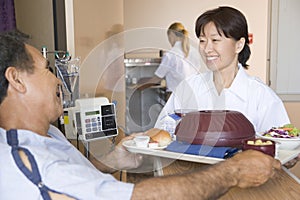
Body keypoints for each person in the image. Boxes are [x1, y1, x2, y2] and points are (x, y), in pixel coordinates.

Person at [0, 30, 281, 199]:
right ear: (17, 80)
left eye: (216, 40)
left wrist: (110, 160)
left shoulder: (47, 134)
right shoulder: (29, 162)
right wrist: (233, 171)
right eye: (48, 69)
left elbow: (76, 176)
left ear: (239, 45)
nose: (58, 80)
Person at [155, 6, 290, 133]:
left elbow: (280, 147)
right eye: (202, 41)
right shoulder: (187, 88)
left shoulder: (261, 96)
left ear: (239, 45)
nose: (207, 49)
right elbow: (161, 132)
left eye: (215, 40)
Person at [137, 22, 202, 96]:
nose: (169, 40)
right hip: (192, 95)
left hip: (176, 96)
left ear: (171, 34)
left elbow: (156, 79)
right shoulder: (194, 52)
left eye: (168, 37)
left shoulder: (170, 55)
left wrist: (139, 87)